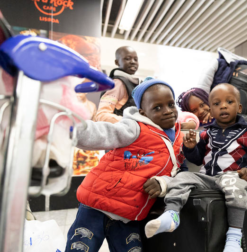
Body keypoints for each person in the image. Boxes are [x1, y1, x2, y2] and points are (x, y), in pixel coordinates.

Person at [65, 79, 187, 252]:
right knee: (80, 248)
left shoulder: (180, 140)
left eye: (170, 104)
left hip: (129, 215)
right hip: (96, 205)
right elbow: (103, 133)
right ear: (143, 113)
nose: (167, 111)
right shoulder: (135, 128)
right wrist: (71, 129)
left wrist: (163, 182)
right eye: (157, 108)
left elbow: (180, 173)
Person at [145, 84, 247, 252]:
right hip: (206, 177)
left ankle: (234, 237)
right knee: (182, 178)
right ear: (211, 110)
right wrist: (189, 148)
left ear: (239, 107)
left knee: (237, 189)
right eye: (216, 104)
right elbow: (196, 159)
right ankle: (171, 215)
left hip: (231, 176)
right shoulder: (205, 133)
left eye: (229, 102)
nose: (223, 106)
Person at [95, 46, 141, 123]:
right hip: (121, 132)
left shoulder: (133, 83)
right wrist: (135, 124)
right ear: (117, 62)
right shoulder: (118, 83)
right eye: (127, 58)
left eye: (135, 59)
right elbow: (102, 115)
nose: (133, 61)